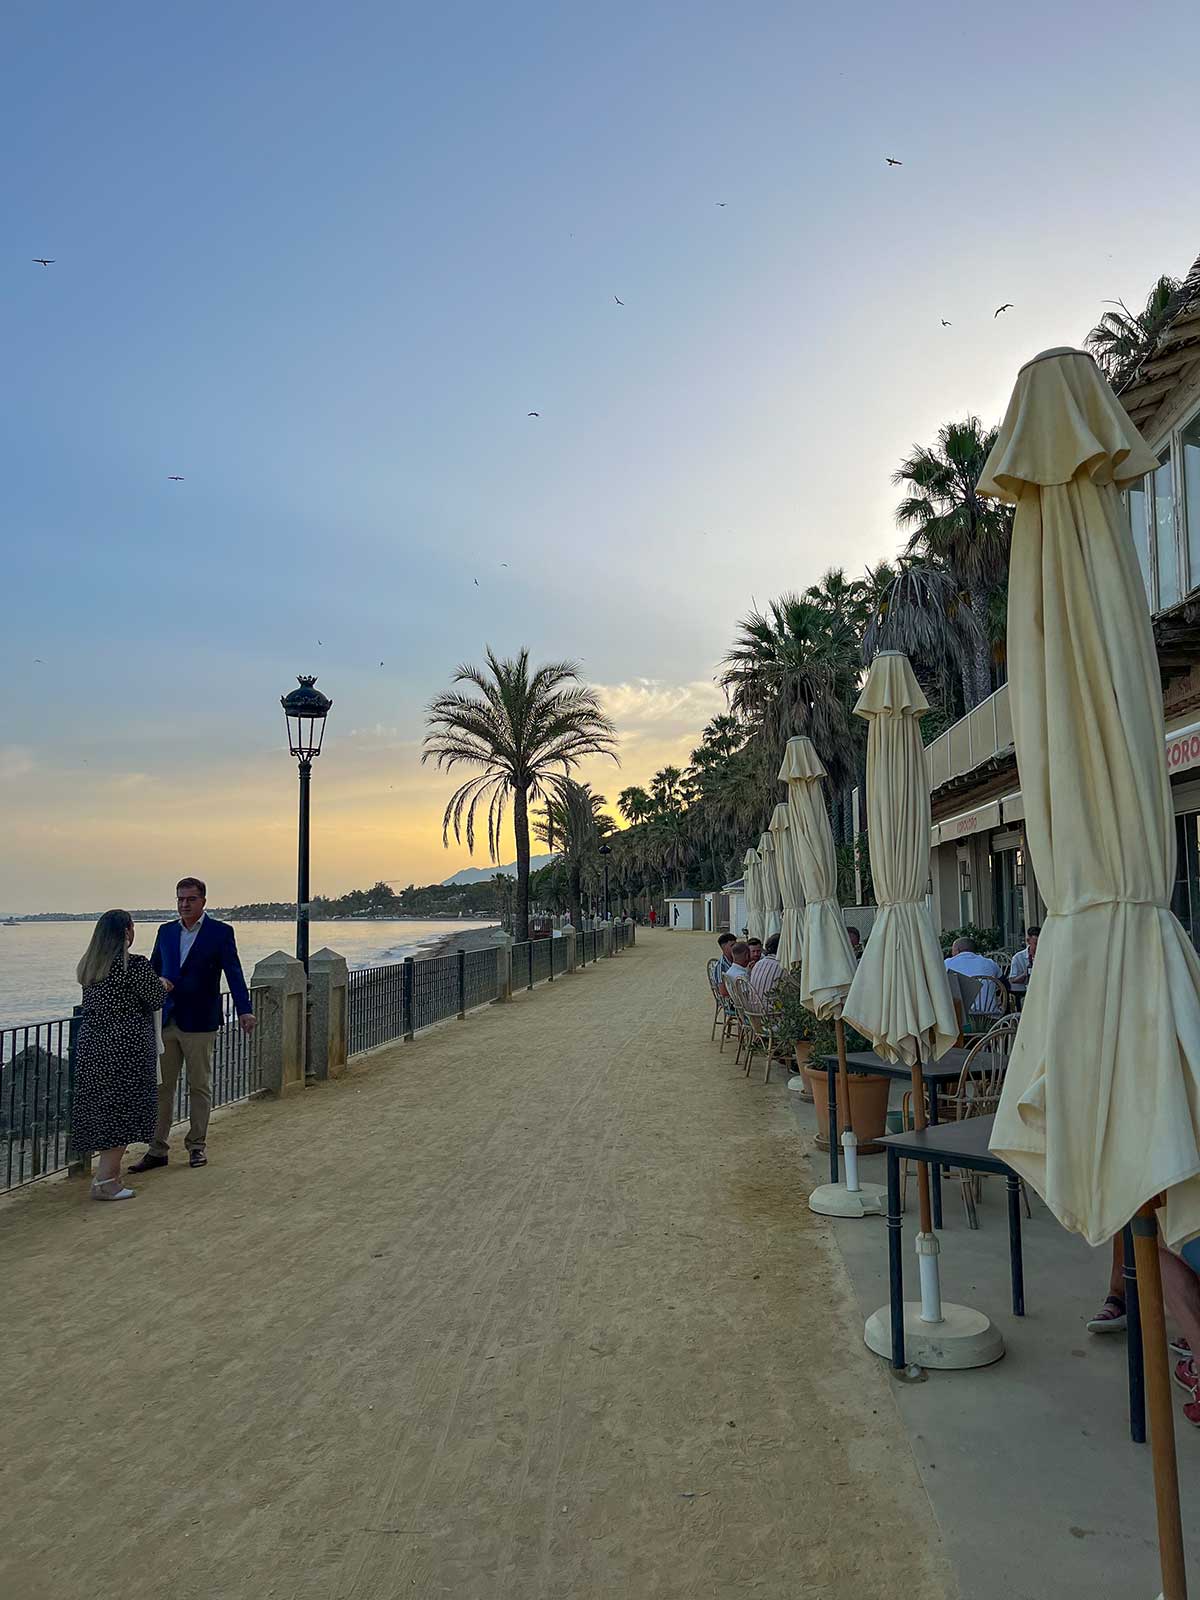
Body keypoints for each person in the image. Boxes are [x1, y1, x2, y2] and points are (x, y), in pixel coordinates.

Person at [130, 877, 255, 1173]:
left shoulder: (221, 933)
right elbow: (152, 970)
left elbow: (234, 973)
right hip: (167, 1019)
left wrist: (244, 1010)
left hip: (200, 1021)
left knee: (199, 1087)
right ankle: (157, 1149)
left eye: (190, 899)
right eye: (180, 899)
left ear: (203, 901)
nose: (184, 904)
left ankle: (197, 1146)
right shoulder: (166, 932)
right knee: (162, 1088)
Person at [71, 910, 171, 1201]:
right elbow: (156, 998)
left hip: (94, 1044)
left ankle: (108, 1173)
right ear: (126, 932)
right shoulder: (134, 965)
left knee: (104, 1109)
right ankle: (106, 1181)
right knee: (125, 1110)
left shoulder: (90, 967)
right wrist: (162, 983)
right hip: (126, 1047)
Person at [944, 935, 1003, 1015]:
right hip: (990, 1014)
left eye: (952, 951)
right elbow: (1004, 984)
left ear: (957, 950)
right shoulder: (990, 963)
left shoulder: (947, 964)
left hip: (961, 1016)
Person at [750, 932, 784, 997]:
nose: (756, 954)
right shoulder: (782, 966)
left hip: (753, 1005)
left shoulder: (758, 964)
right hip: (770, 1006)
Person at [1008, 925, 1039, 992]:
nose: (1038, 947)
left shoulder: (1046, 956)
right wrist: (1025, 974)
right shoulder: (1018, 957)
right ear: (1028, 941)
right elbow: (1012, 980)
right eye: (1036, 944)